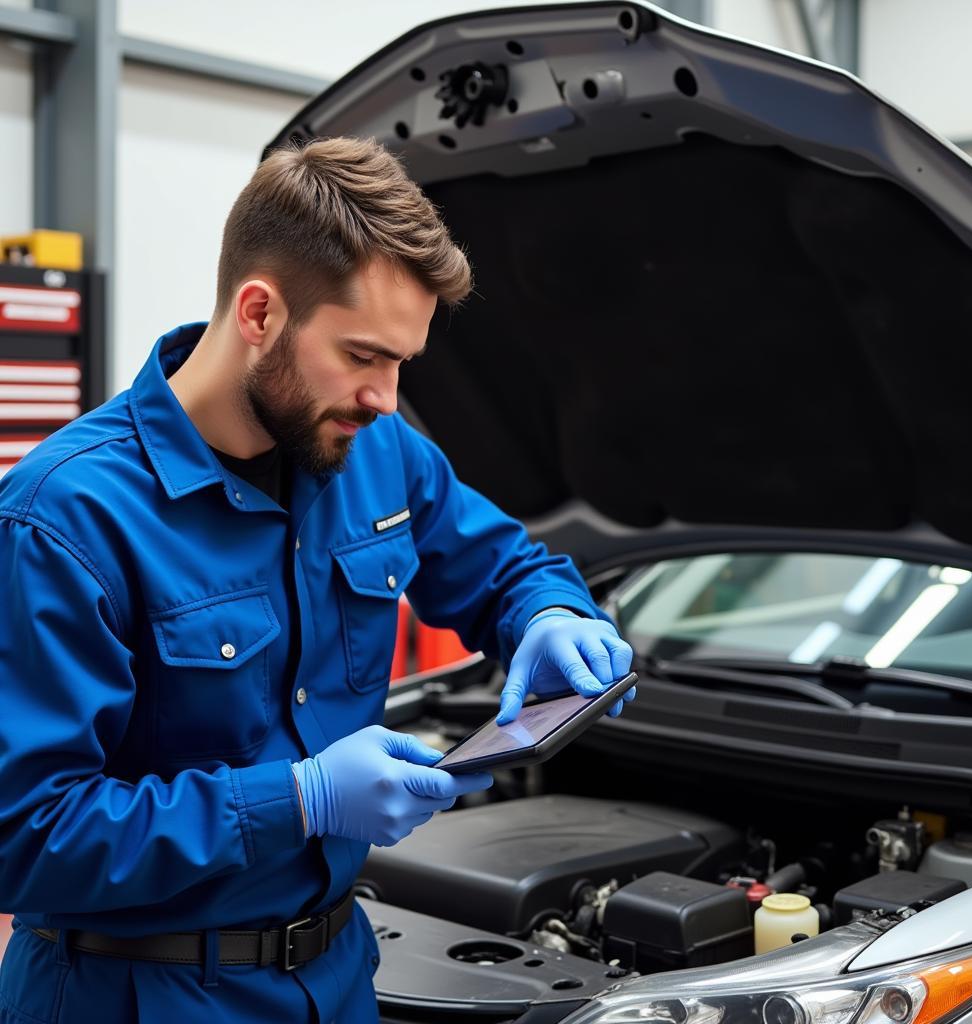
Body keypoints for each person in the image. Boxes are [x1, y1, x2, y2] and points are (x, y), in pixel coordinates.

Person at [0, 136, 635, 1023]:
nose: (384, 396)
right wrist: (298, 800)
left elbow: (506, 566)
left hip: (337, 976)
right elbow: (26, 837)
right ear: (258, 312)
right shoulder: (65, 517)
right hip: (139, 993)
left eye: (402, 363)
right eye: (364, 355)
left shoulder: (375, 455)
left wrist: (549, 613)